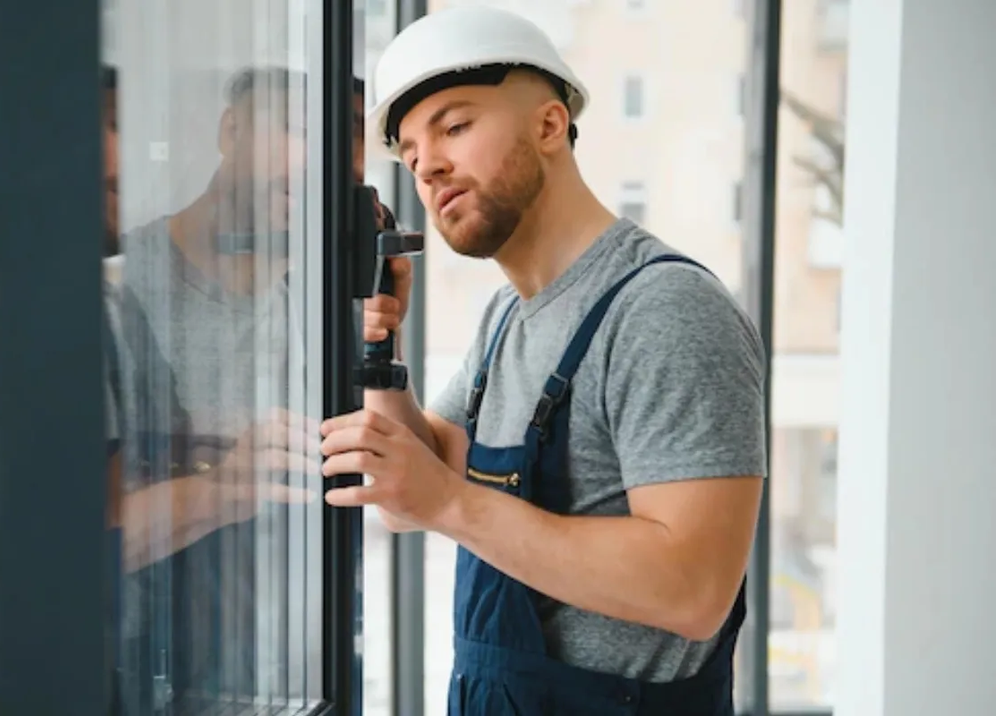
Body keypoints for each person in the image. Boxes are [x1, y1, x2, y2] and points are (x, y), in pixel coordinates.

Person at [320, 6, 766, 715]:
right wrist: (383, 350)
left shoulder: (664, 311)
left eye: (455, 126)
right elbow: (423, 481)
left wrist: (448, 502)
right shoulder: (505, 319)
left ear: (550, 125)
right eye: (409, 153)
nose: (428, 164)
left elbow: (693, 590)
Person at [105, 64, 376, 713]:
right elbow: (70, 542)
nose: (322, 162)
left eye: (352, 140)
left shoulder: (334, 315)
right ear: (232, 130)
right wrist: (220, 489)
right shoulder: (115, 295)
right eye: (299, 130)